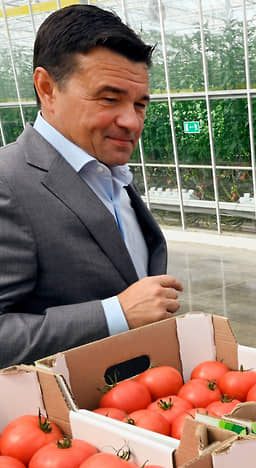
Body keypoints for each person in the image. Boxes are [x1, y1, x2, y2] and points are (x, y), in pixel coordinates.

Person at [0, 5, 183, 368]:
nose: (131, 121)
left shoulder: (111, 174)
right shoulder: (8, 183)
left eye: (140, 104)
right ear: (47, 88)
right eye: (109, 99)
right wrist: (114, 314)